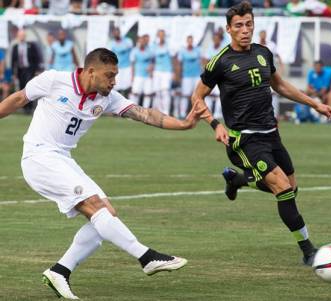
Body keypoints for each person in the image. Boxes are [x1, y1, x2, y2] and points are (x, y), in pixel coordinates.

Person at [0, 48, 205, 299]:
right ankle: (146, 257)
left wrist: (184, 124)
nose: (114, 81)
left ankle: (60, 271)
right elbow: (19, 99)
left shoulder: (107, 97)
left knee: (106, 215)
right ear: (90, 71)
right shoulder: (54, 80)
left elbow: (145, 114)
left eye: (116, 75)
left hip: (63, 159)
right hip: (39, 156)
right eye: (109, 75)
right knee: (95, 207)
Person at [191, 1, 331, 265]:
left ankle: (238, 181)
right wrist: (215, 124)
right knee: (282, 188)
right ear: (229, 29)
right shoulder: (220, 62)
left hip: (271, 134)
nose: (245, 30)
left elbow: (280, 86)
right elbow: (197, 97)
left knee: (292, 188)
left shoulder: (263, 53)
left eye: (249, 24)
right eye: (239, 26)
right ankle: (308, 251)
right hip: (244, 139)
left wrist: (316, 104)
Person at [11, 29, 42, 114]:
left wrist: (37, 70)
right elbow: (13, 61)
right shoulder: (15, 47)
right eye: (20, 35)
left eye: (23, 35)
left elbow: (36, 58)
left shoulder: (31, 45)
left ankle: (30, 107)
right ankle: (24, 108)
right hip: (20, 70)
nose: (22, 37)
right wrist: (13, 73)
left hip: (29, 69)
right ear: (18, 36)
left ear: (25, 36)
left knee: (29, 87)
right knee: (21, 87)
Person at [175, 35, 202, 118]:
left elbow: (202, 62)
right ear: (187, 41)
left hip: (196, 75)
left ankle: (197, 113)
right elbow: (179, 64)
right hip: (186, 76)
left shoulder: (197, 50)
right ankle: (183, 113)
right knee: (185, 95)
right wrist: (178, 76)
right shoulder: (182, 51)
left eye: (191, 40)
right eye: (188, 40)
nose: (190, 42)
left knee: (197, 95)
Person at [152, 29, 173, 115]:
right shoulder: (154, 46)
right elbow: (152, 59)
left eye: (162, 35)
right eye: (159, 35)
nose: (161, 37)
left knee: (165, 91)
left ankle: (166, 111)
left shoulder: (169, 45)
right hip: (157, 71)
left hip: (166, 71)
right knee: (157, 91)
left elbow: (174, 59)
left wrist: (174, 72)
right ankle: (159, 111)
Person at [108, 27, 134, 97]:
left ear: (119, 32)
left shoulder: (128, 41)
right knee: (117, 88)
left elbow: (132, 54)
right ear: (113, 34)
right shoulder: (111, 43)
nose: (116, 34)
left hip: (127, 67)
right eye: (114, 33)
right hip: (117, 68)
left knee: (127, 87)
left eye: (117, 32)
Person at [130, 34, 154, 108]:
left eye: (143, 41)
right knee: (135, 93)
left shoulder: (150, 50)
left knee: (148, 94)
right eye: (140, 41)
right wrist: (132, 76)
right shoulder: (134, 51)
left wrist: (151, 69)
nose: (142, 43)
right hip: (138, 75)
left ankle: (146, 112)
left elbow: (153, 61)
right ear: (138, 42)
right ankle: (133, 111)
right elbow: (132, 64)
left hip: (147, 76)